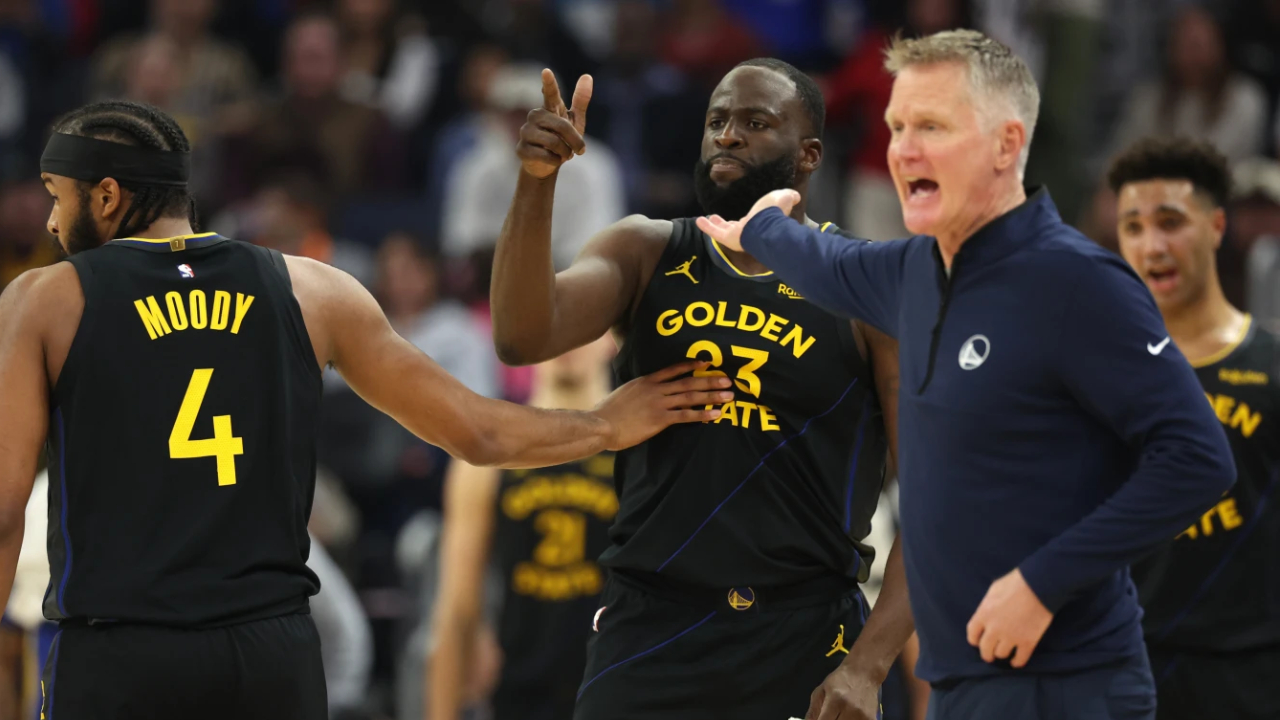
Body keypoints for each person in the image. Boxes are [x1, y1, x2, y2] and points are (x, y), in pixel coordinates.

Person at [0, 99, 733, 719]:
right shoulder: (312, 289)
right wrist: (606, 423)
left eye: (57, 197)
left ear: (105, 197)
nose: (54, 227)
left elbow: (4, 511)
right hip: (270, 658)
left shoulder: (46, 300)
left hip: (121, 654)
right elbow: (476, 430)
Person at [696, 30, 1237, 720]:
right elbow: (825, 265)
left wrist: (1042, 585)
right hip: (959, 688)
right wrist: (763, 227)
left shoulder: (1078, 282)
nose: (903, 149)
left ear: (1007, 145)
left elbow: (1198, 459)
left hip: (1069, 686)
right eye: (896, 126)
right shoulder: (913, 272)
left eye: (931, 126)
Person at [489, 59, 914, 720]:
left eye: (754, 122)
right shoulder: (645, 250)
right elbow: (521, 334)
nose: (728, 136)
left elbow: (937, 497)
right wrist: (536, 183)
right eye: (716, 120)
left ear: (808, 156)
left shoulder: (865, 291)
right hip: (651, 624)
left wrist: (869, 665)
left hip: (802, 632)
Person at [1108, 136, 1280, 720]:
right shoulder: (1096, 370)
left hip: (1251, 673)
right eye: (1132, 226)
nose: (1151, 244)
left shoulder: (1273, 362)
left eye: (1170, 221)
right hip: (1125, 668)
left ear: (1216, 226)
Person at [428, 334, 620, 720]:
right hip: (521, 692)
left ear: (612, 338)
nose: (567, 340)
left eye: (585, 327)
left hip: (617, 691)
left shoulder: (641, 453)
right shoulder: (487, 458)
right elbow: (456, 611)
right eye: (553, 325)